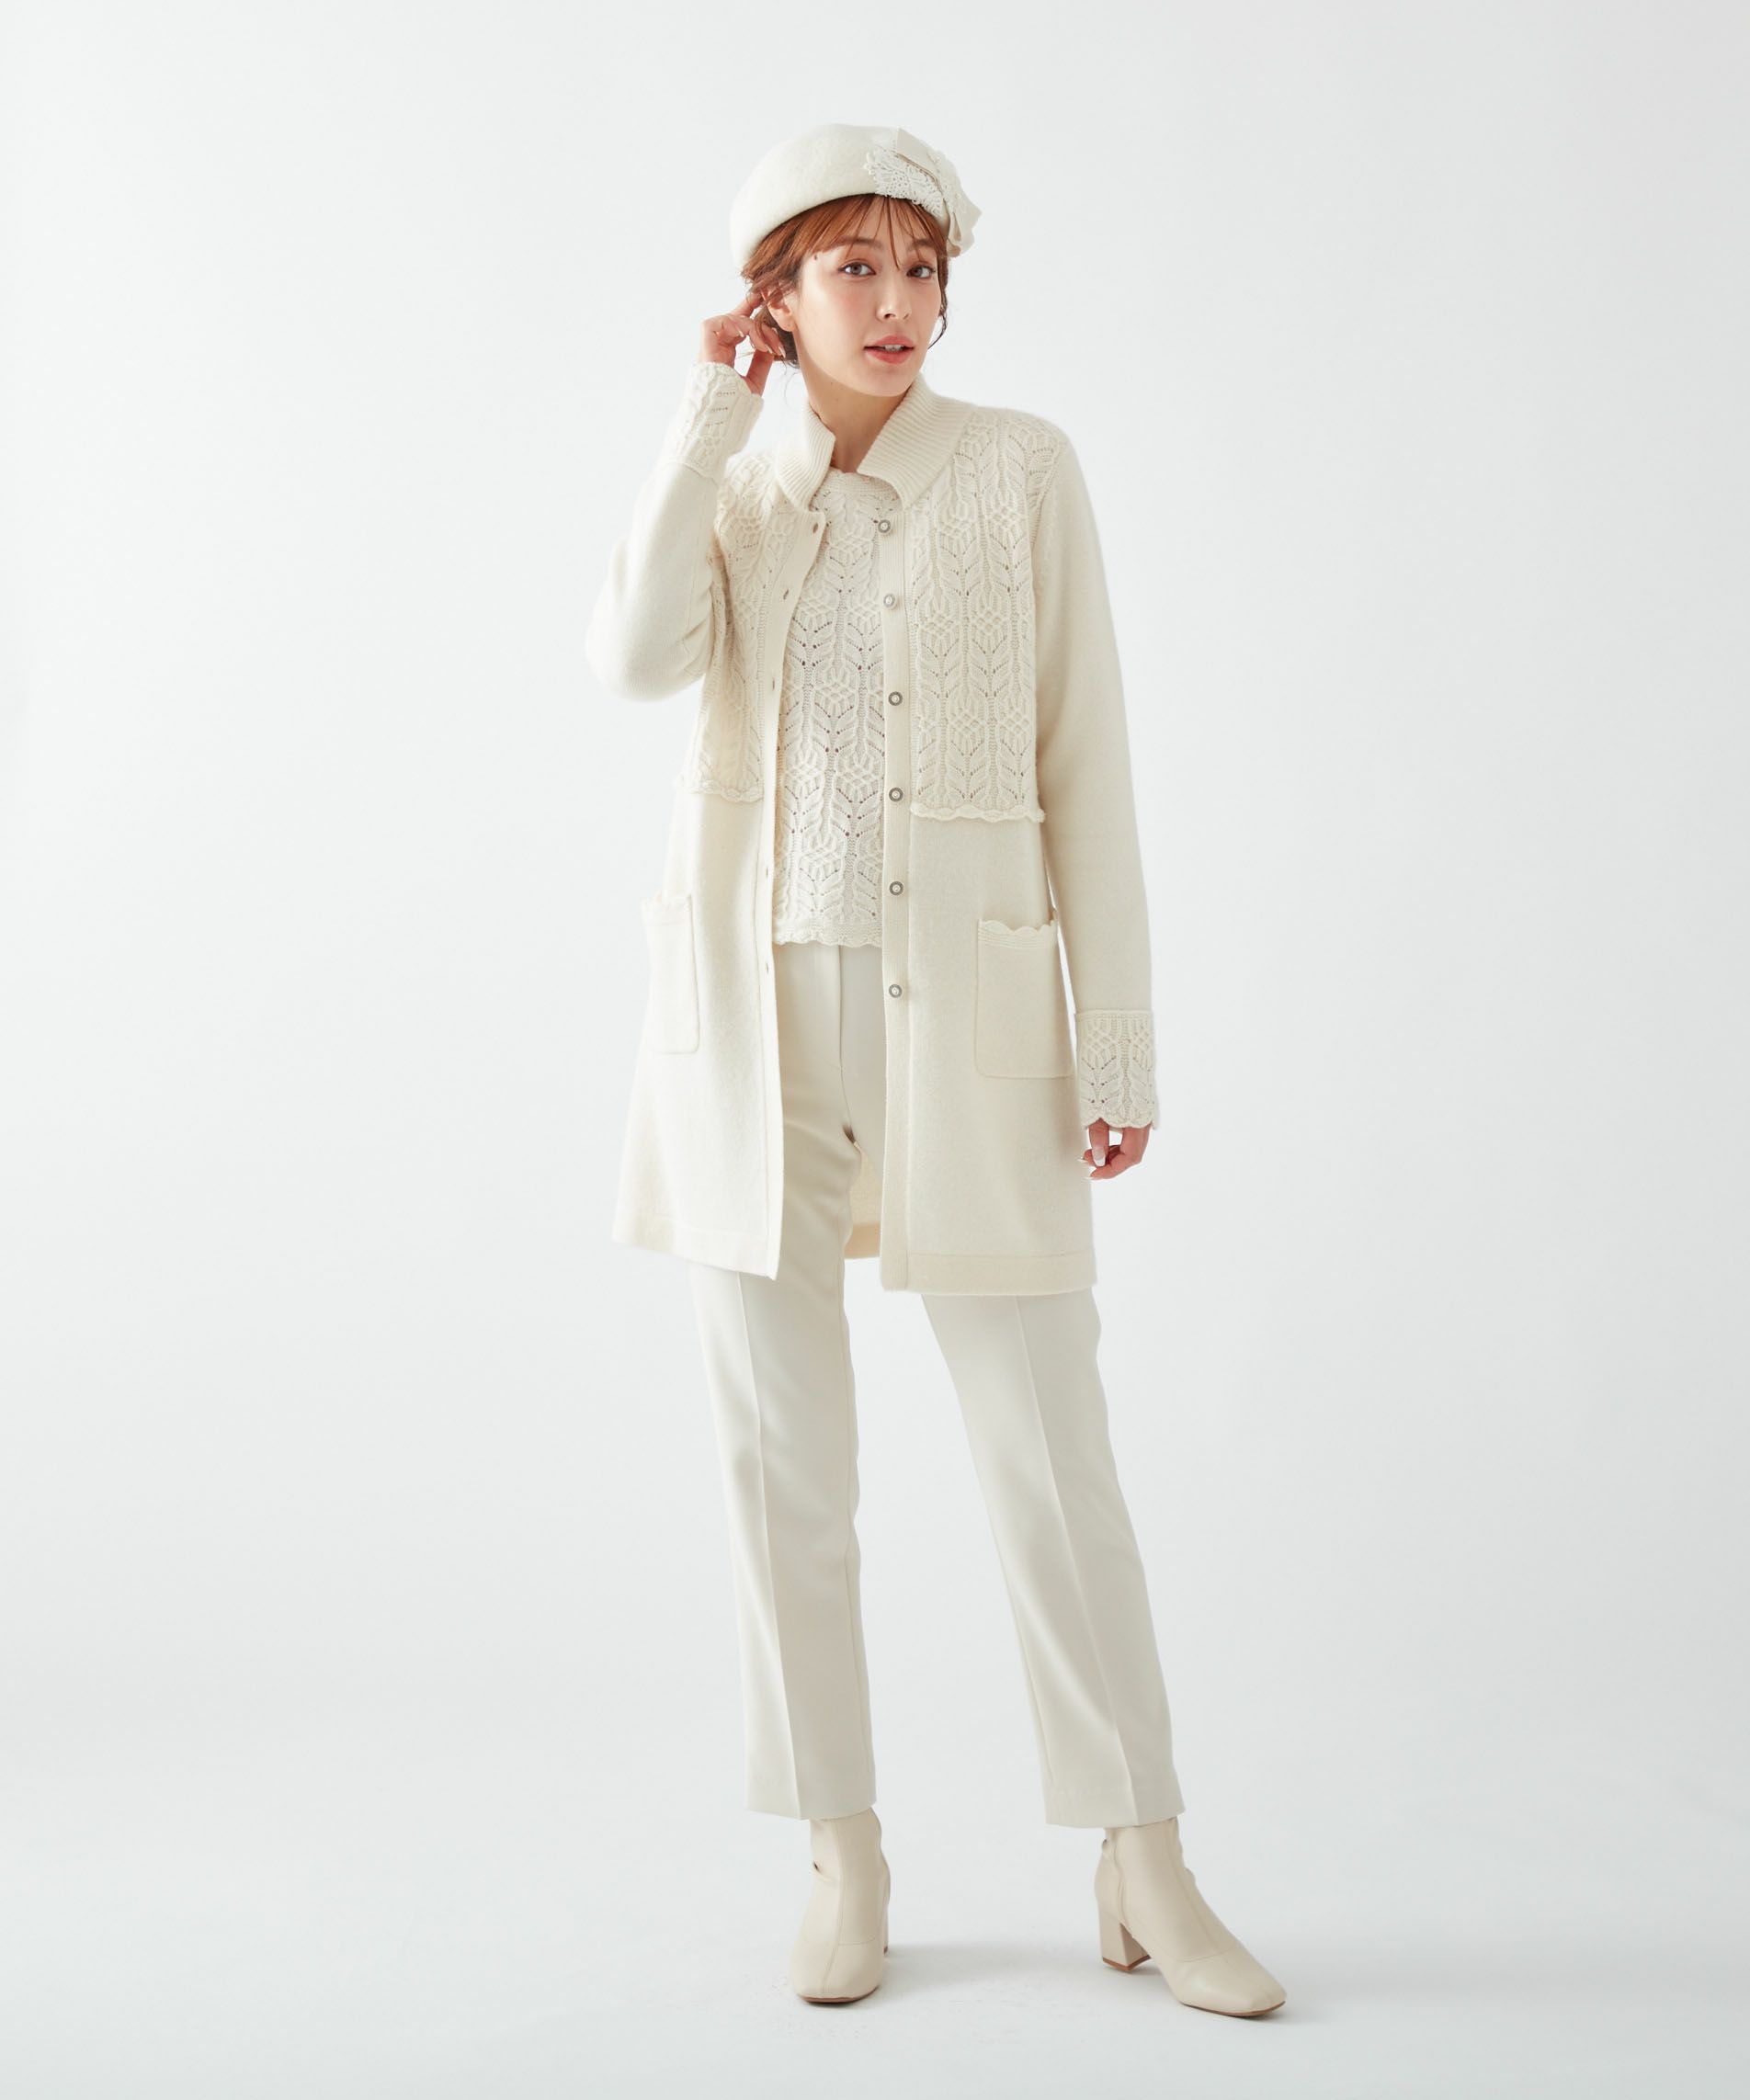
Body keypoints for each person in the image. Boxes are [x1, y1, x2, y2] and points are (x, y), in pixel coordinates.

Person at [585, 122, 1285, 2016]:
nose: (897, 304)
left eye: (922, 269)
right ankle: (842, 1848)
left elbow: (1089, 766)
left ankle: (1143, 1852)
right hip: (753, 1023)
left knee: (1049, 1448)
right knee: (782, 1462)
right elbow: (632, 658)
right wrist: (708, 416)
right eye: (854, 269)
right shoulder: (739, 484)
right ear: (775, 298)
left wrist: (1114, 1036)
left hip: (968, 1030)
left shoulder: (1020, 469)